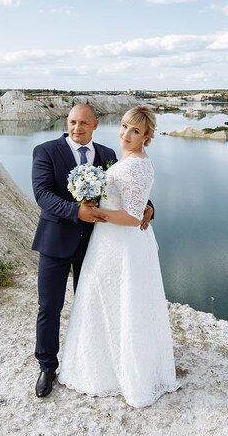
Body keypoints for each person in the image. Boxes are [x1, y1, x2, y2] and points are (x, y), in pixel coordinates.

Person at [57, 106, 180, 408]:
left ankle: (118, 374)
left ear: (146, 135)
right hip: (114, 242)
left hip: (119, 243)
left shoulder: (134, 164)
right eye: (124, 126)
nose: (126, 134)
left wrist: (97, 213)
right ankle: (112, 365)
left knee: (118, 302)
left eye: (135, 130)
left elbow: (132, 215)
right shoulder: (130, 159)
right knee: (115, 302)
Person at [30, 103, 154, 398]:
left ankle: (96, 361)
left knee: (93, 304)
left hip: (96, 245)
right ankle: (47, 366)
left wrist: (149, 207)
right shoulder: (46, 151)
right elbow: (43, 195)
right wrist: (76, 212)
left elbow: (128, 192)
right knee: (50, 307)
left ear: (95, 124)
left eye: (84, 123)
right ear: (67, 122)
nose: (77, 128)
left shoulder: (108, 155)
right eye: (73, 122)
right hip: (56, 243)